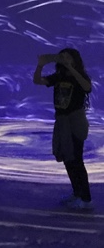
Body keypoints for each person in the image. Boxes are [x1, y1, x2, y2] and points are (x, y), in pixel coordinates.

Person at [33, 48, 93, 210]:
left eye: (68, 57)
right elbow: (37, 81)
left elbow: (87, 87)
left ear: (75, 59)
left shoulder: (79, 75)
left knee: (77, 159)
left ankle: (86, 198)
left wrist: (71, 69)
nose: (65, 59)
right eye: (63, 57)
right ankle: (77, 193)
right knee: (67, 159)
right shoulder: (59, 76)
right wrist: (40, 65)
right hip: (62, 121)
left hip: (76, 120)